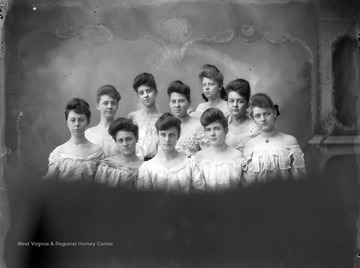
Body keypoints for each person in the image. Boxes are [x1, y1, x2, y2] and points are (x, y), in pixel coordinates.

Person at [243, 93, 306, 183]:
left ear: (274, 113)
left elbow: (300, 180)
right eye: (258, 116)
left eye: (266, 114)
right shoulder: (250, 145)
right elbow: (248, 184)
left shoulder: (289, 142)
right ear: (253, 118)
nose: (263, 119)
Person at [44, 98, 103, 182]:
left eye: (81, 120)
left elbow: (102, 184)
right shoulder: (59, 153)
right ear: (67, 123)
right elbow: (50, 184)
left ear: (88, 122)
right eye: (73, 120)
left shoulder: (97, 152)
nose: (77, 124)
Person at [191, 108, 247, 192]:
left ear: (226, 130)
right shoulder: (199, 157)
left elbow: (244, 188)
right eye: (208, 130)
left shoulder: (237, 156)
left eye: (216, 129)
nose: (212, 134)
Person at [137, 113, 193, 193]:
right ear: (157, 135)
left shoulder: (190, 165)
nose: (167, 139)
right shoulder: (148, 168)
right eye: (163, 135)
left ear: (178, 136)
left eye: (171, 135)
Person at [94, 118, 143, 189]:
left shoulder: (145, 168)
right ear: (116, 142)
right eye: (120, 140)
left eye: (128, 139)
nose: (125, 144)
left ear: (136, 138)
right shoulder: (106, 167)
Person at [167, 80, 206, 156]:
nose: (177, 105)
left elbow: (206, 157)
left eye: (181, 101)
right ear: (169, 103)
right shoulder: (166, 126)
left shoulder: (199, 126)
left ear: (189, 102)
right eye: (173, 101)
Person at [128, 73, 162, 160]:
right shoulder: (133, 117)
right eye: (141, 93)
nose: (146, 95)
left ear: (156, 92)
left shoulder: (163, 118)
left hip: (158, 165)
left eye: (149, 91)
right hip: (137, 164)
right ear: (138, 96)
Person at [85, 84, 122, 158]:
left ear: (117, 106)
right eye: (105, 103)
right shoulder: (89, 134)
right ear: (98, 106)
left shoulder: (123, 132)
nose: (109, 107)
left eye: (113, 103)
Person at [225, 78, 260, 151]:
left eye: (240, 101)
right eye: (231, 101)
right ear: (227, 103)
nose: (235, 105)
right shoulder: (223, 123)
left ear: (247, 104)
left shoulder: (255, 129)